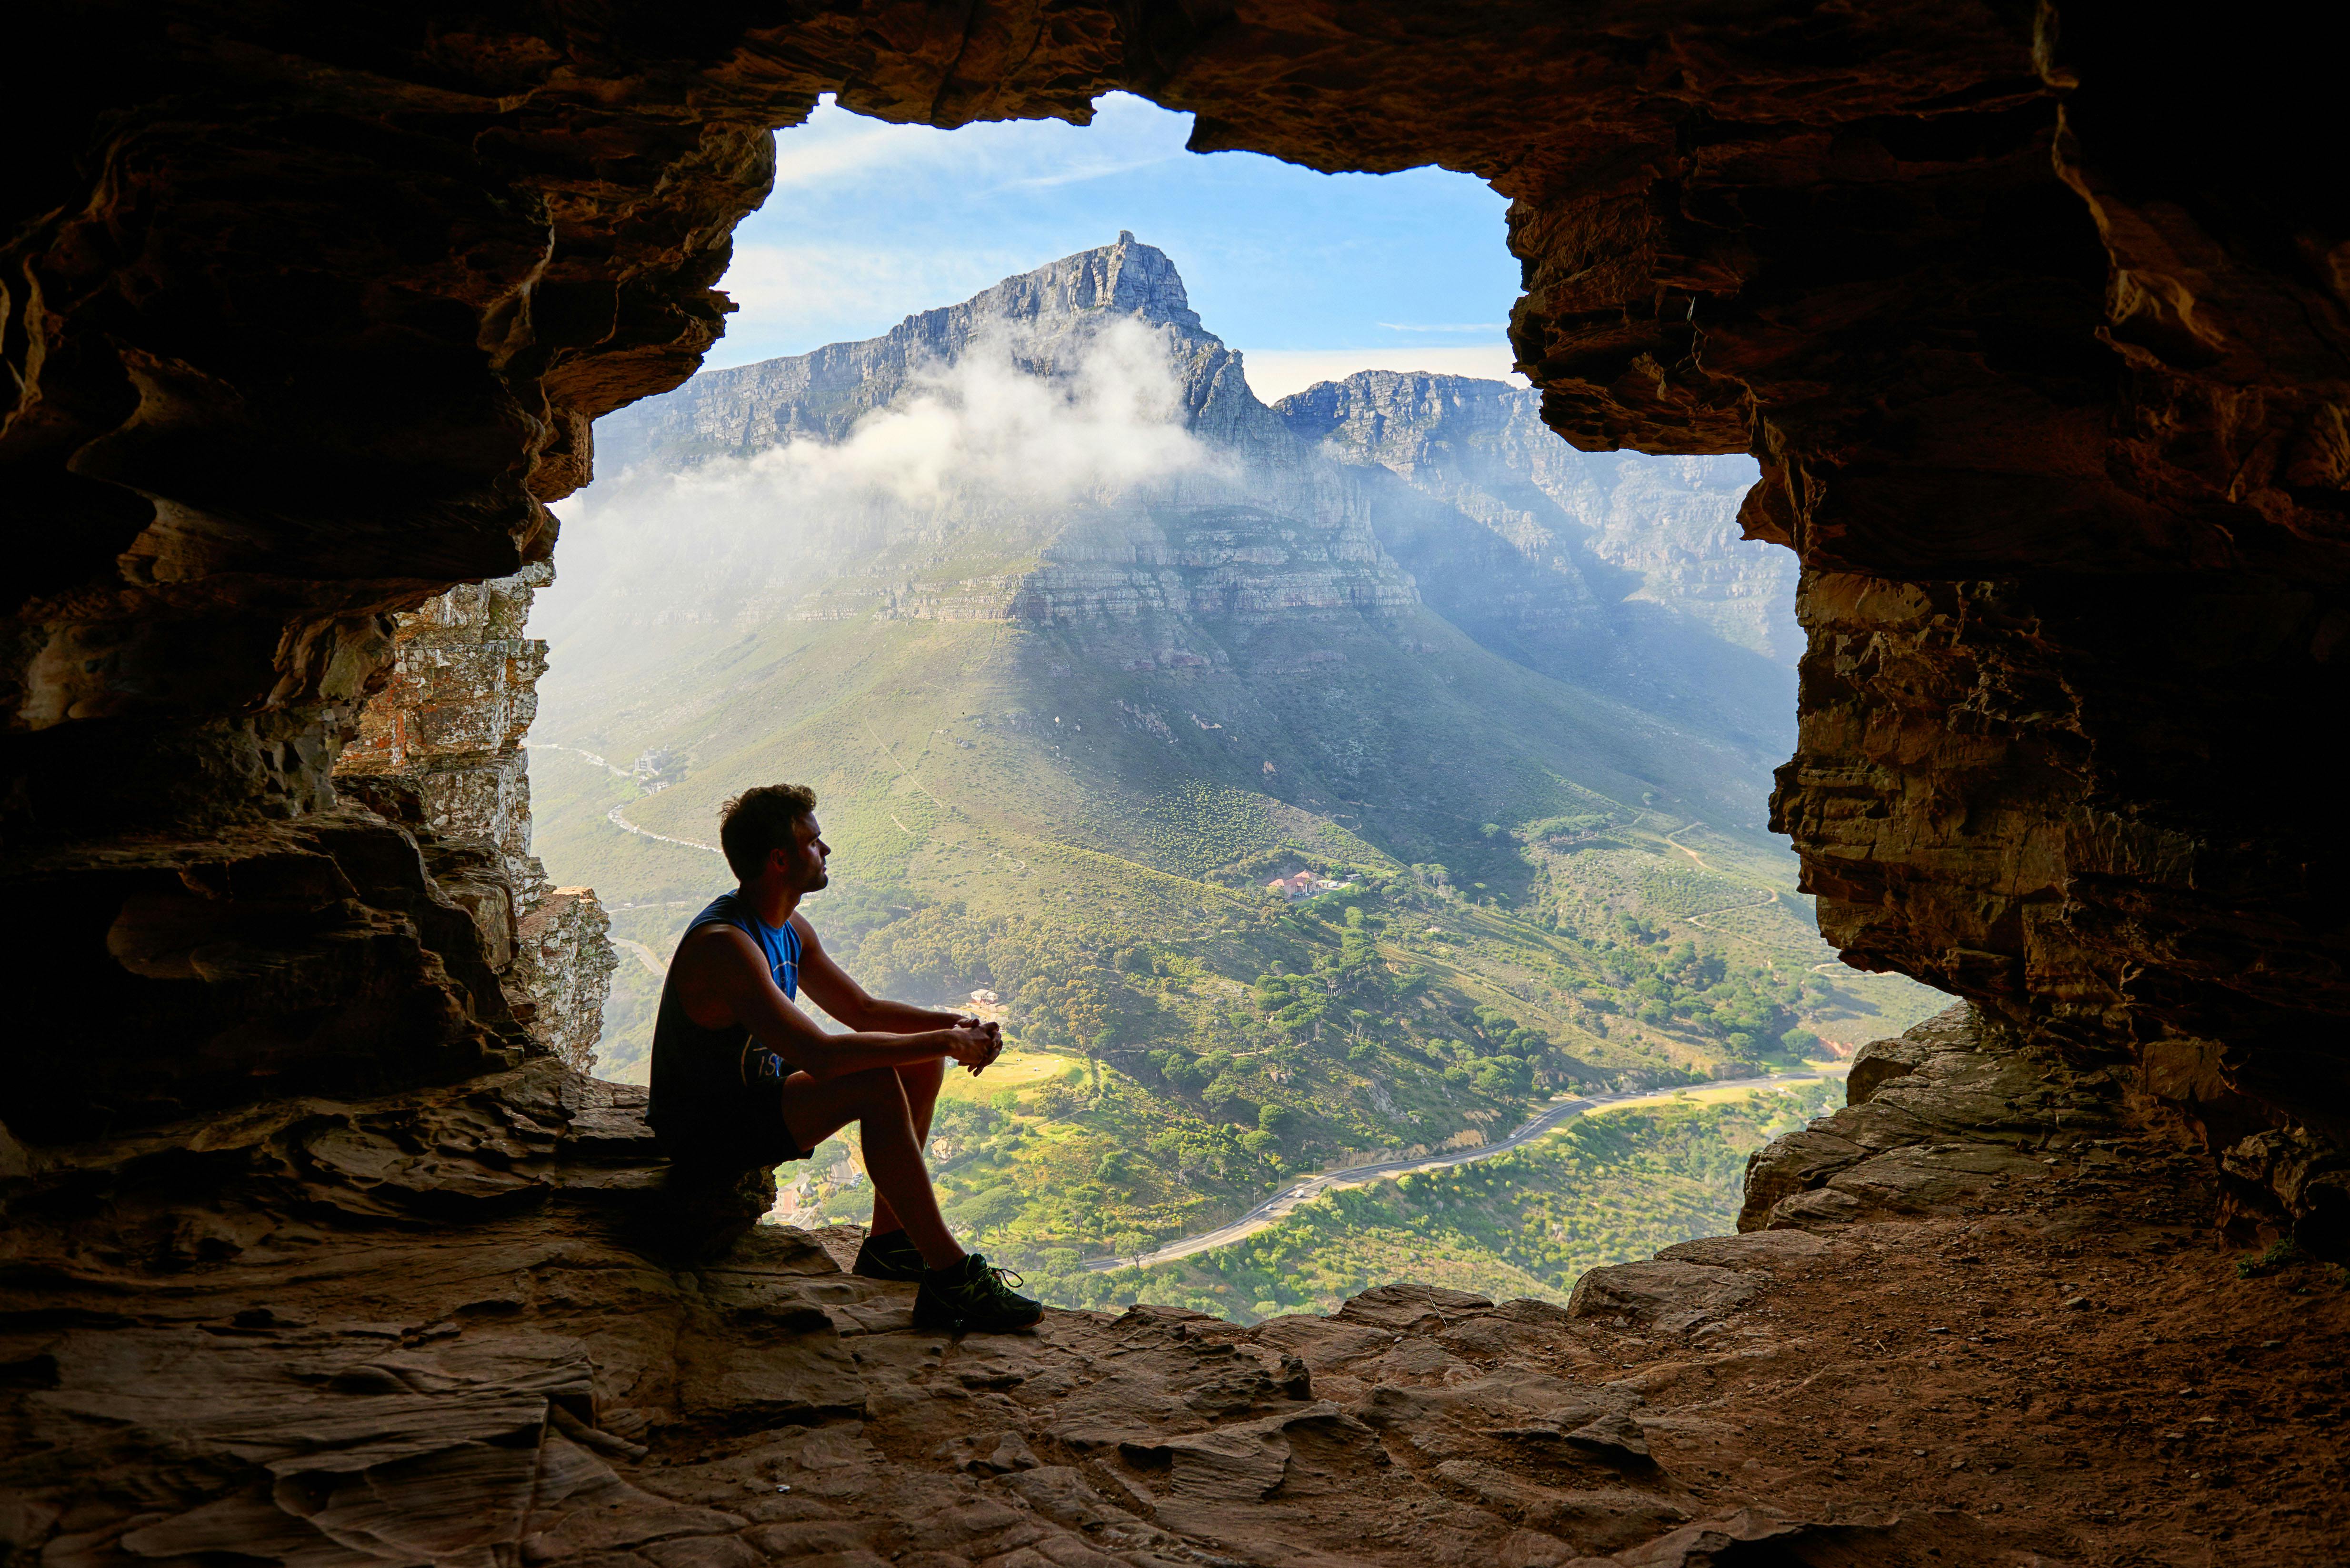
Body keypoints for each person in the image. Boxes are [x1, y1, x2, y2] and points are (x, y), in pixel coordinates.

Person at [647, 782, 1042, 1332]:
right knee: (876, 1083)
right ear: (780, 859)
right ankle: (953, 1279)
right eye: (814, 841)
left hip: (754, 1099)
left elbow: (862, 1008)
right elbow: (821, 1055)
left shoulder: (787, 927)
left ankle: (890, 1246)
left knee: (917, 1062)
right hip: (708, 1127)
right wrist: (949, 1043)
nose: (826, 850)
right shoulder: (727, 944)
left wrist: (954, 1026)